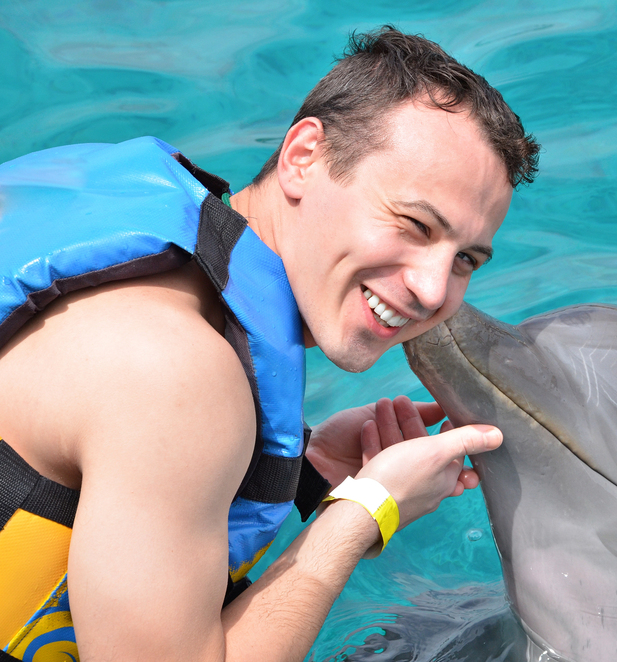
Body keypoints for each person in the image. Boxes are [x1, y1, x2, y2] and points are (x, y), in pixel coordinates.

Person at [0, 26, 539, 662]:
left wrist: (306, 479)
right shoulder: (176, 376)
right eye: (414, 224)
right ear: (303, 156)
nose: (431, 288)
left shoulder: (103, 200)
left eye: (466, 258)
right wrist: (367, 510)